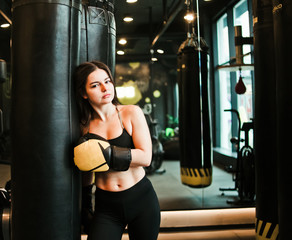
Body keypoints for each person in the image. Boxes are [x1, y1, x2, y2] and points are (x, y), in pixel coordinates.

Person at [73, 60, 161, 240]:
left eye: (108, 81)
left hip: (142, 200)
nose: (105, 88)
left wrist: (107, 153)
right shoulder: (83, 126)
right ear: (83, 92)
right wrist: (86, 204)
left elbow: (145, 157)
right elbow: (87, 168)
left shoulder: (130, 113)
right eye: (96, 85)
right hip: (107, 207)